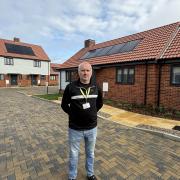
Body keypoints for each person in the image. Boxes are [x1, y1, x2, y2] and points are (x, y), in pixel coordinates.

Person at [61, 62, 103, 180]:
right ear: (78, 72)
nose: (85, 73)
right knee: (74, 154)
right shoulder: (71, 87)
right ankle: (72, 176)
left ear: (91, 72)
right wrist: (73, 114)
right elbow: (64, 105)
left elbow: (100, 104)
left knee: (90, 153)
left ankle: (90, 174)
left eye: (87, 70)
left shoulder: (96, 87)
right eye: (82, 70)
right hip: (75, 128)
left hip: (92, 128)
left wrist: (92, 113)